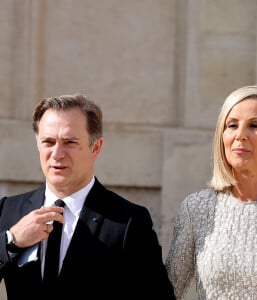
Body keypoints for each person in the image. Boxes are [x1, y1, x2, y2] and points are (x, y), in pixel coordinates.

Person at [0, 93, 176, 300]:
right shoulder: (8, 210)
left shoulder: (128, 221)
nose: (57, 154)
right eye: (48, 141)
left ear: (96, 148)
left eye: (70, 142)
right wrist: (11, 241)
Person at [165, 84, 257, 299]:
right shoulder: (196, 209)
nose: (240, 135)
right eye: (232, 125)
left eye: (254, 125)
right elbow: (167, 290)